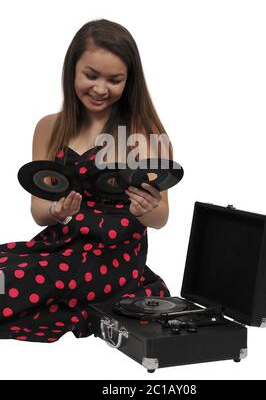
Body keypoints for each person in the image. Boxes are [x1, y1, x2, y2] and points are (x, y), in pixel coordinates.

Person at [0, 18, 173, 343]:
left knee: (10, 283)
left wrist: (144, 209)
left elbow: (160, 217)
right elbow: (38, 212)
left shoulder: (143, 135)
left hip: (113, 259)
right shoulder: (49, 128)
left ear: (129, 81)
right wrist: (56, 210)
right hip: (58, 247)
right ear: (72, 71)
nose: (100, 88)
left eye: (114, 79)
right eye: (91, 76)